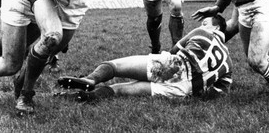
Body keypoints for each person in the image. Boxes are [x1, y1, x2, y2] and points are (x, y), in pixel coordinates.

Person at [57, 15, 232, 102]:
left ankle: (90, 79)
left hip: (174, 66)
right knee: (119, 90)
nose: (202, 25)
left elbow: (173, 50)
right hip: (184, 90)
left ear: (216, 28)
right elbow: (219, 92)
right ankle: (87, 97)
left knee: (115, 66)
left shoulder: (202, 33)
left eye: (206, 23)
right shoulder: (228, 64)